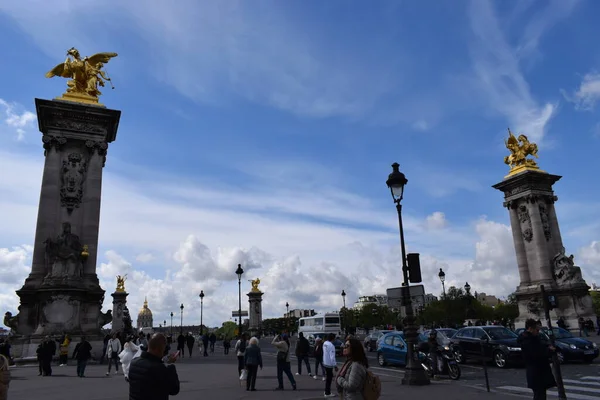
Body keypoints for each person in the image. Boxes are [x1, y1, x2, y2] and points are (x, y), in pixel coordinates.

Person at [128, 333, 180, 400]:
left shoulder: (133, 363)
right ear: (161, 348)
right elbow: (174, 390)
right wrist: (170, 365)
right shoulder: (159, 369)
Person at [518, 319, 556, 400]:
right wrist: (549, 350)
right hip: (537, 371)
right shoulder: (528, 340)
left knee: (540, 394)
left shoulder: (530, 338)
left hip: (537, 371)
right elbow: (537, 353)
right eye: (537, 330)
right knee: (539, 395)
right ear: (531, 328)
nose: (538, 332)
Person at [323, 333, 338, 397]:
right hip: (329, 364)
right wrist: (335, 366)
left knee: (328, 378)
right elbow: (332, 357)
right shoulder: (331, 346)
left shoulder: (325, 343)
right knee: (329, 379)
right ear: (333, 338)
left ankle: (326, 391)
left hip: (325, 362)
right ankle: (327, 392)